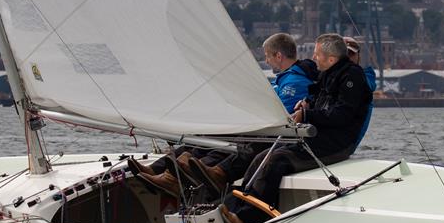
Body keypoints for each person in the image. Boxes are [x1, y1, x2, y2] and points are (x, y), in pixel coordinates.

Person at [130, 33, 317, 198]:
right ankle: (158, 169)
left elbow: (277, 115)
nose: (266, 61)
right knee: (202, 138)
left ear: (278, 55)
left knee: (220, 141)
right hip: (259, 128)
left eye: (267, 56)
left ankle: (173, 177)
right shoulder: (286, 79)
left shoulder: (295, 81)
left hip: (269, 134)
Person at [219, 33, 373, 223]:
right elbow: (317, 97)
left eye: (317, 54)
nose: (314, 58)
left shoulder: (351, 77)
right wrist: (307, 103)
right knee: (261, 158)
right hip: (318, 137)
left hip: (337, 144)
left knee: (277, 160)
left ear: (331, 59)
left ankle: (249, 220)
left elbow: (341, 115)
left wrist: (306, 115)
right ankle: (235, 210)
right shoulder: (328, 74)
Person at [343, 36, 376, 151]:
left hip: (347, 143)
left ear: (358, 56)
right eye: (344, 54)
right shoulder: (330, 76)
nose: (348, 58)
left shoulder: (366, 76)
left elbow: (368, 85)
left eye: (351, 54)